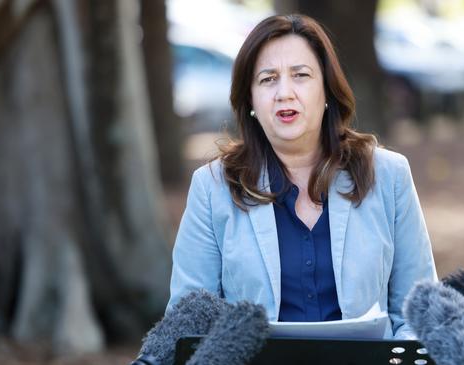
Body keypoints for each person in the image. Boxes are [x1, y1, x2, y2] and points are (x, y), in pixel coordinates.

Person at [166, 14, 437, 339]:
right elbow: (187, 324)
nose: (284, 92)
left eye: (301, 75)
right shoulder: (212, 187)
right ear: (250, 98)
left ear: (327, 90)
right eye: (268, 79)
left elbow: (420, 313)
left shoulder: (389, 176)